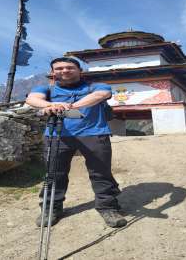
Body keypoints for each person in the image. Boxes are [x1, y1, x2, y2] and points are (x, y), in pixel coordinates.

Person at [26, 57, 127, 228]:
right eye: (59, 68)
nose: (64, 71)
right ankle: (51, 208)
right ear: (52, 72)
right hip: (56, 134)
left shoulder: (95, 86)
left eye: (69, 67)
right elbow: (32, 99)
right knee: (54, 173)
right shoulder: (46, 89)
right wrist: (51, 104)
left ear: (80, 71)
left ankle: (108, 207)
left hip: (94, 134)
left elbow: (102, 95)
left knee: (101, 173)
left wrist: (69, 107)